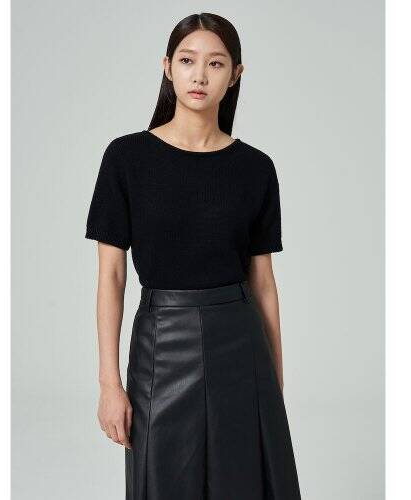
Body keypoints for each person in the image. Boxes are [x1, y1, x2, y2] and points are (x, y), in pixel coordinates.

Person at [85, 12, 302, 500]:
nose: (200, 75)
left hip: (241, 347)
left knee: (245, 485)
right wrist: (109, 384)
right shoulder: (126, 158)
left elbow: (264, 283)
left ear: (236, 74)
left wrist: (275, 382)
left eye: (216, 63)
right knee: (161, 483)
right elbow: (112, 277)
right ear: (167, 67)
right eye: (187, 61)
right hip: (161, 344)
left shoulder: (256, 168)